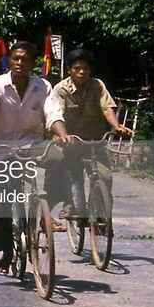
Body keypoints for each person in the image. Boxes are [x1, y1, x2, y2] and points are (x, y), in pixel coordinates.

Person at [0, 41, 70, 275]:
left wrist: (64, 135)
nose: (20, 63)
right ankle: (7, 250)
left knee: (60, 158)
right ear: (10, 60)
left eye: (25, 59)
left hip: (34, 144)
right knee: (1, 200)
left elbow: (53, 115)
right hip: (2, 147)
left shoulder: (43, 86)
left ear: (32, 63)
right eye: (16, 58)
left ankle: (44, 208)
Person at [51, 48, 133, 221]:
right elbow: (56, 114)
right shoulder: (60, 90)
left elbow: (107, 108)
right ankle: (71, 204)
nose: (82, 72)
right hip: (71, 141)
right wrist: (61, 136)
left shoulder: (97, 85)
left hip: (95, 141)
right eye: (77, 68)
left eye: (86, 68)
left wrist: (117, 126)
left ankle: (101, 217)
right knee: (72, 175)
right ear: (69, 70)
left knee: (105, 177)